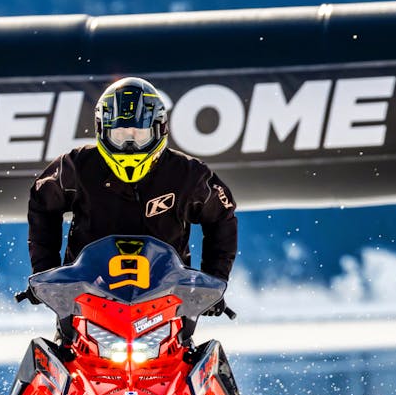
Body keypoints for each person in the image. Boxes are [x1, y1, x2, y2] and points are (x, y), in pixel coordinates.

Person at [26, 77, 238, 311]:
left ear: (159, 129)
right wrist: (47, 274)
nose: (130, 144)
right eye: (120, 135)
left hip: (168, 301)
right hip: (87, 299)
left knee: (206, 349)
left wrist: (213, 283)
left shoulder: (188, 174)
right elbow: (42, 202)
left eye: (139, 134)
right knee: (48, 349)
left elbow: (222, 216)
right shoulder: (76, 166)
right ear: (102, 130)